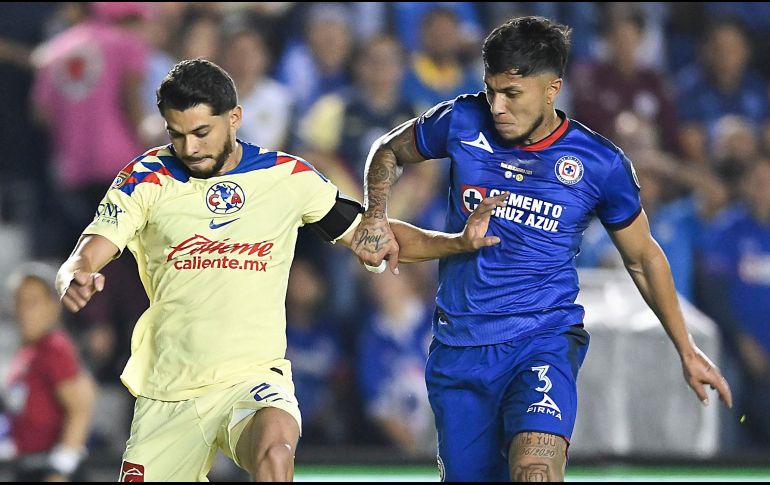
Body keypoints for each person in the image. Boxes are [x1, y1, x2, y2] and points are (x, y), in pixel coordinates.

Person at [54, 58, 508, 482]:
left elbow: (374, 236)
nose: (189, 148)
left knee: (275, 452)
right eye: (177, 134)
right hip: (169, 391)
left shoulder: (286, 177)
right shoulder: (146, 177)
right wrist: (77, 273)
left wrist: (456, 243)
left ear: (234, 118)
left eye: (201, 132)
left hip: (253, 380)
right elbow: (92, 247)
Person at [350, 16, 733, 482]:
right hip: (460, 347)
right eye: (491, 90)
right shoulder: (460, 120)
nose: (497, 106)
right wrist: (374, 213)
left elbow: (643, 257)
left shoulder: (599, 164)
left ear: (553, 89)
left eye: (512, 94)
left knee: (535, 471)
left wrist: (685, 348)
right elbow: (386, 151)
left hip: (541, 339)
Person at [3, 262, 96, 481]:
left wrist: (60, 470)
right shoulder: (28, 352)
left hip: (50, 470)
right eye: (19, 301)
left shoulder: (54, 348)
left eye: (33, 302)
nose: (24, 311)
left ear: (53, 306)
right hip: (28, 466)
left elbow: (80, 408)